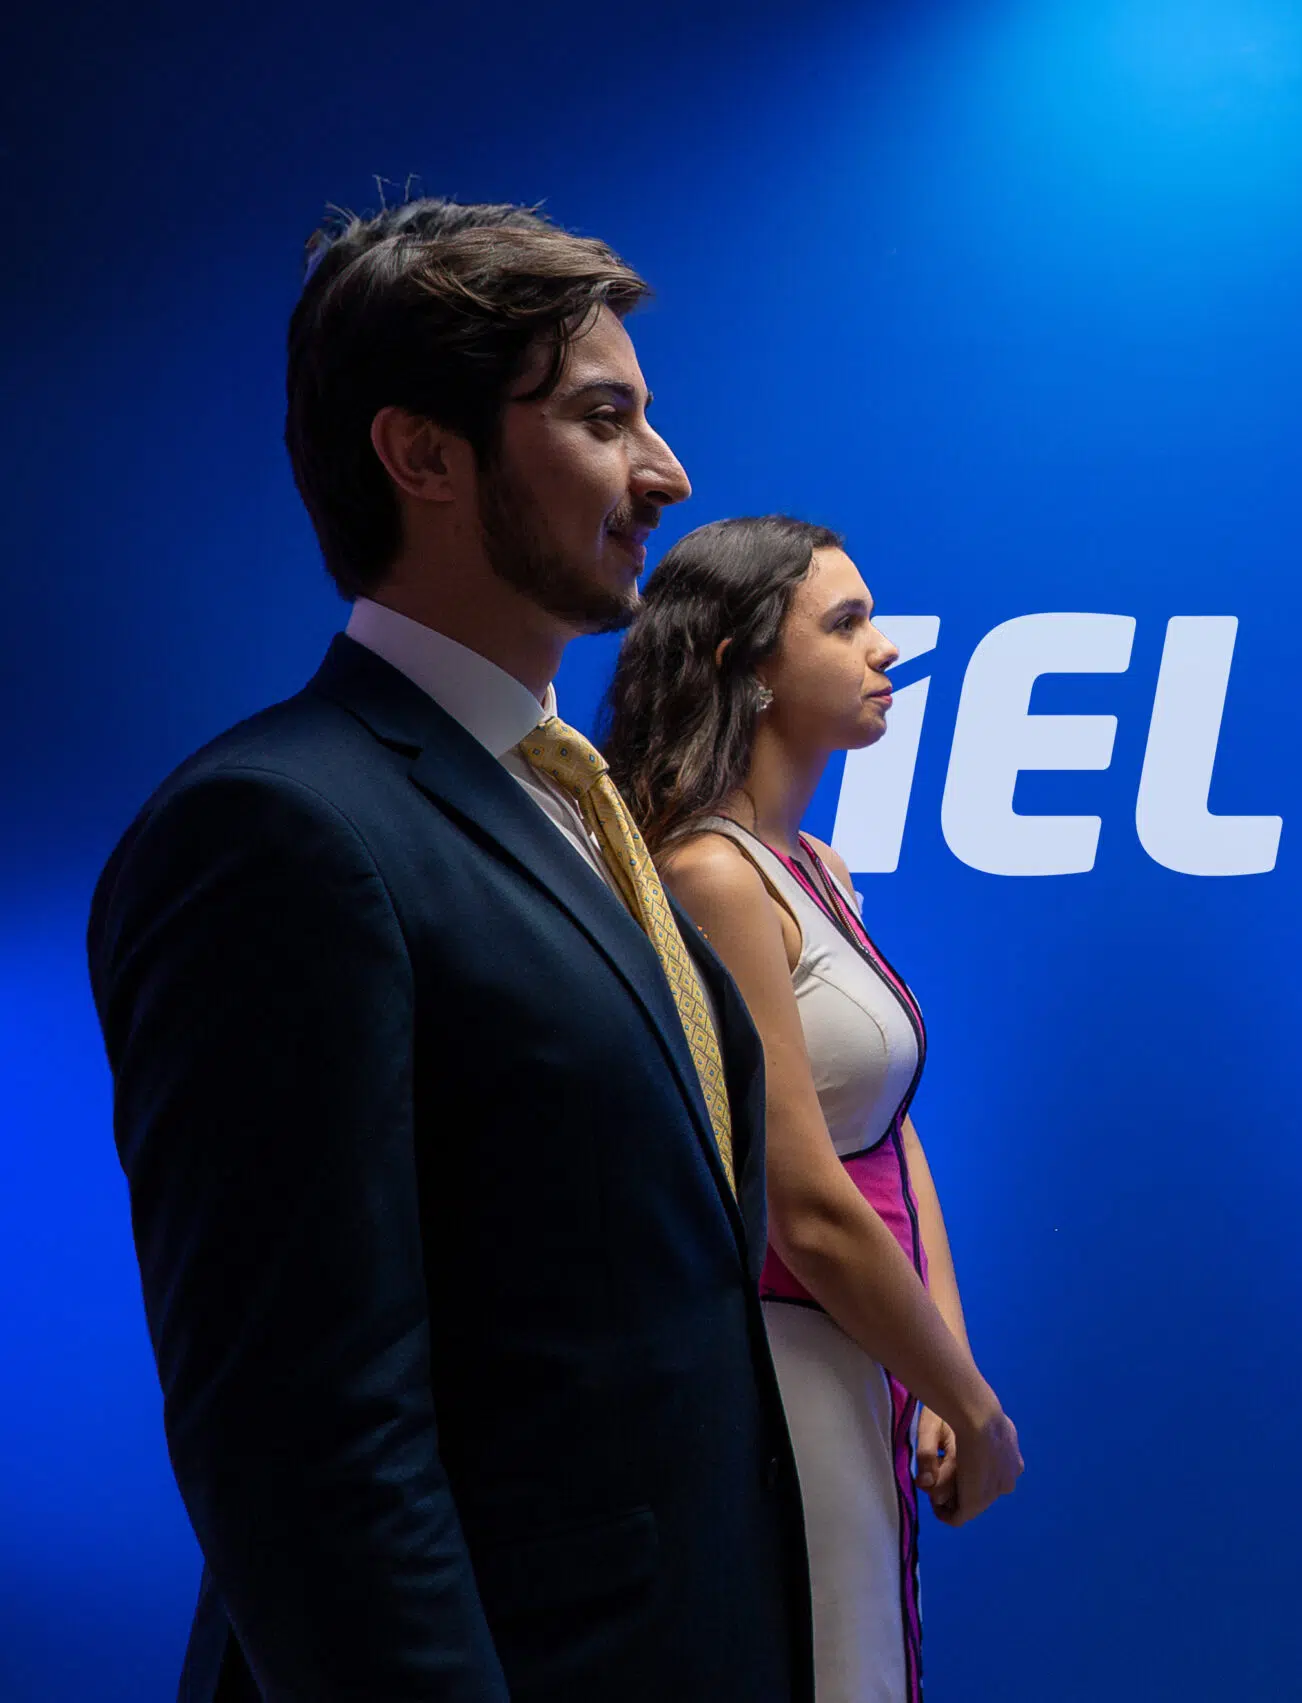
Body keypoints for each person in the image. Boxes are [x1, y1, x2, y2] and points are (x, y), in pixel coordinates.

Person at [86, 199, 812, 1701]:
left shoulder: (578, 803)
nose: (667, 472)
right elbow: (307, 1444)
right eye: (602, 420)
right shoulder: (275, 831)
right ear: (422, 454)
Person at [598, 516, 1024, 1703]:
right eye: (845, 623)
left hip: (866, 1350)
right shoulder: (710, 875)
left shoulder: (815, 864)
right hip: (787, 1359)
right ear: (745, 663)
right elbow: (803, 1202)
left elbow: (885, 1131)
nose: (886, 647)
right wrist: (974, 1405)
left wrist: (937, 1362)